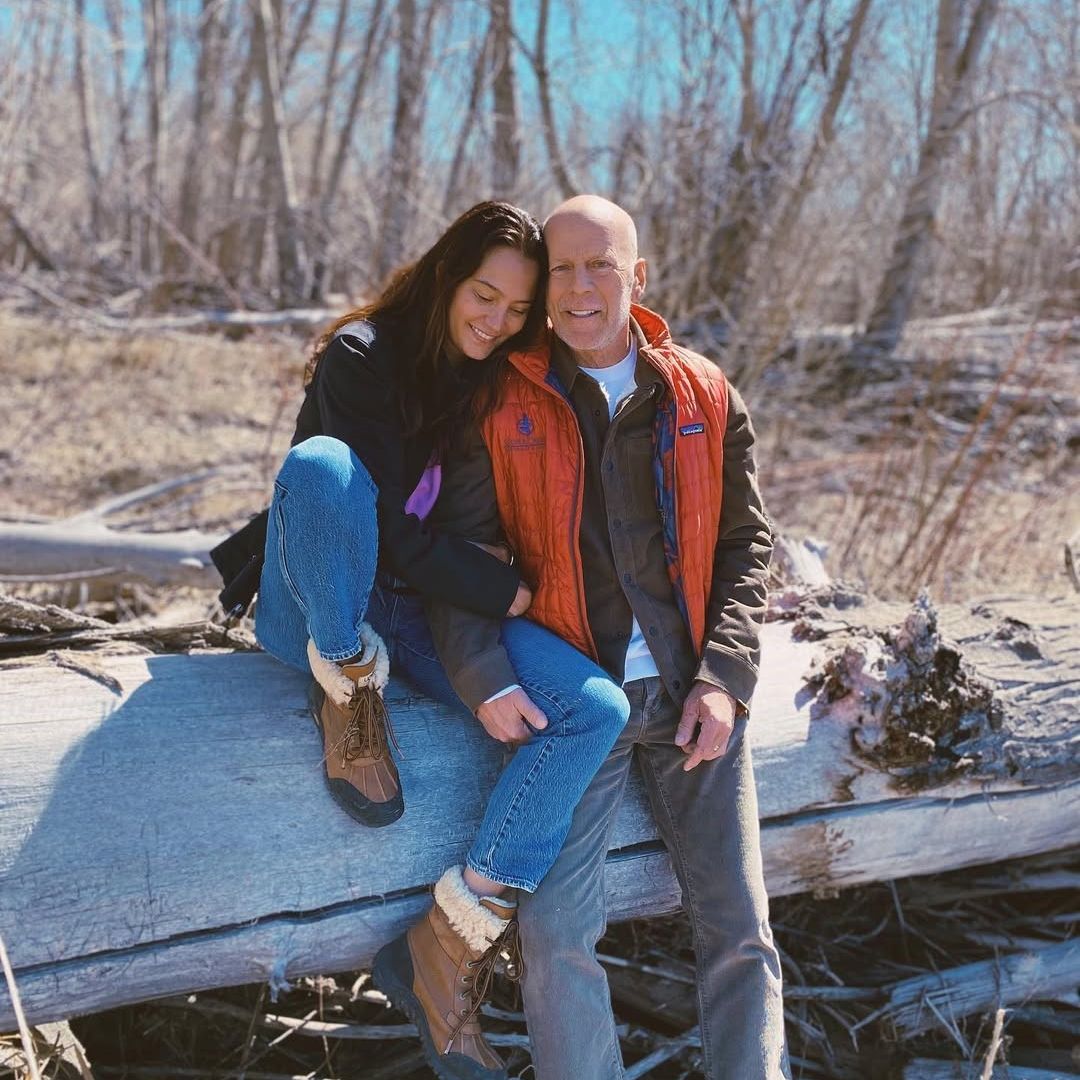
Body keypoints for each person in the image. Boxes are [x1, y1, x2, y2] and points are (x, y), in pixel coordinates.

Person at [213, 201, 630, 1080]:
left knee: (594, 708)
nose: (496, 320)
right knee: (324, 469)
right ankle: (348, 691)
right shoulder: (365, 355)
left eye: (518, 310)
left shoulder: (494, 382)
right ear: (448, 276)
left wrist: (488, 626)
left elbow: (463, 535)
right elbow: (394, 535)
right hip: (317, 597)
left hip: (417, 612)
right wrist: (499, 585)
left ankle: (448, 938)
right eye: (484, 295)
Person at [427, 195, 790, 1079]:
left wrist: (725, 677)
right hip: (574, 706)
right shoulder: (501, 396)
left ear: (639, 276)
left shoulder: (702, 393)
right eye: (562, 267)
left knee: (740, 928)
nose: (581, 287)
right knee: (553, 937)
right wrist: (481, 675)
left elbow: (747, 546)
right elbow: (461, 558)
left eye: (602, 265)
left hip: (686, 696)